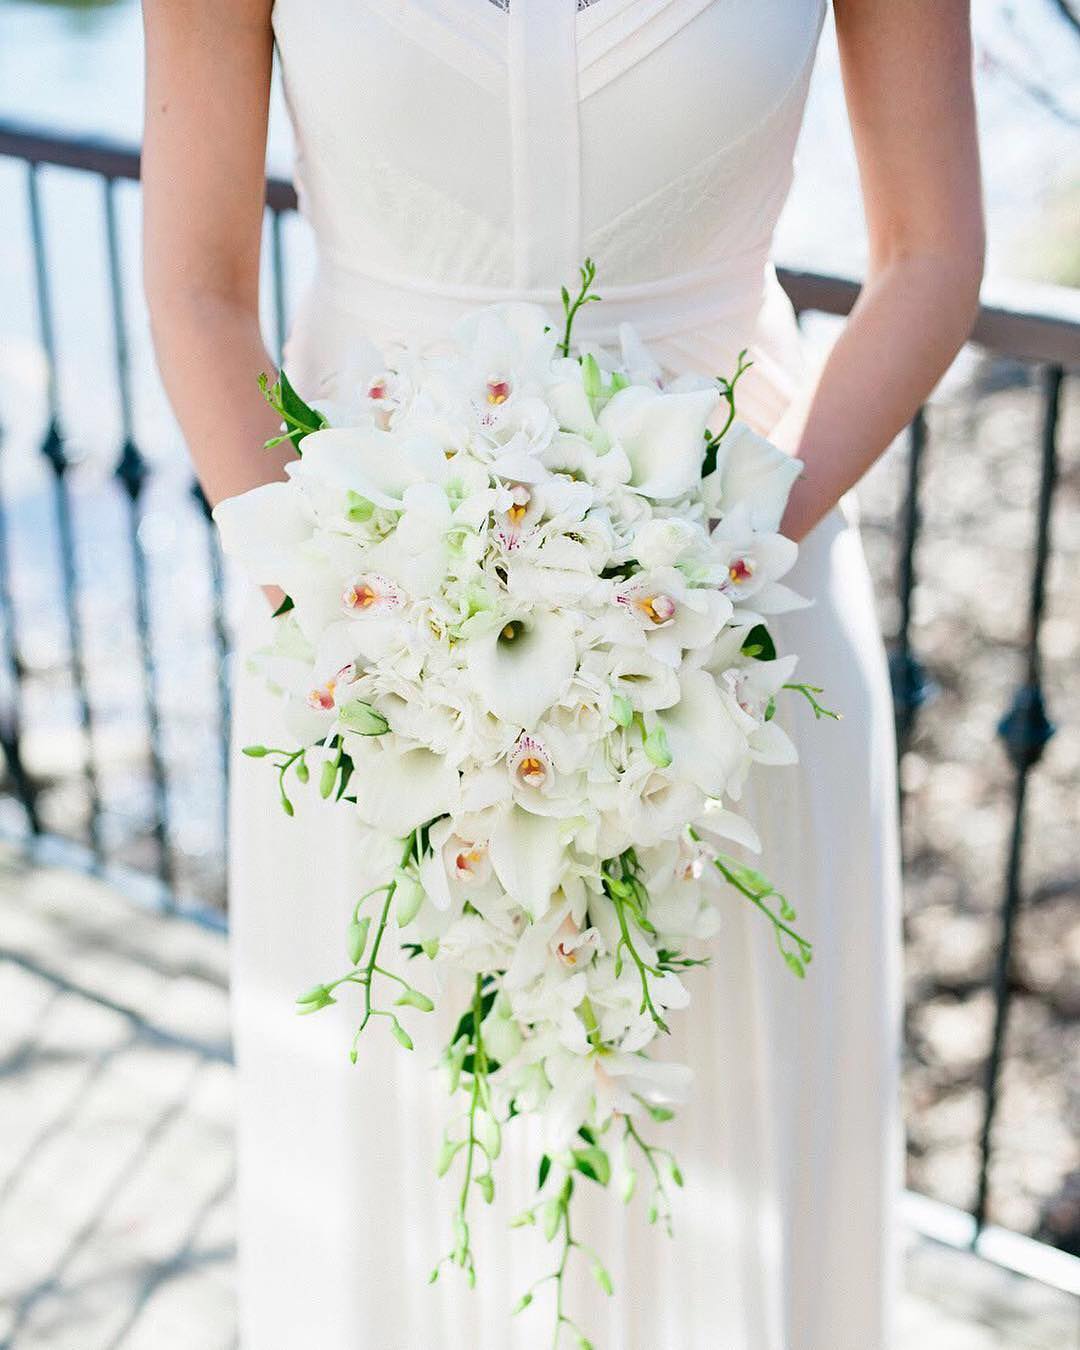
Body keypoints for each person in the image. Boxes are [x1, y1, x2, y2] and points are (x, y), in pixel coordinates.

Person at [141, 3, 984, 1346]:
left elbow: (932, 255)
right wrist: (362, 637)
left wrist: (708, 568)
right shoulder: (363, 651)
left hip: (735, 629)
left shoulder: (727, 587)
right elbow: (195, 287)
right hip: (365, 649)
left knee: (731, 1144)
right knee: (399, 1172)